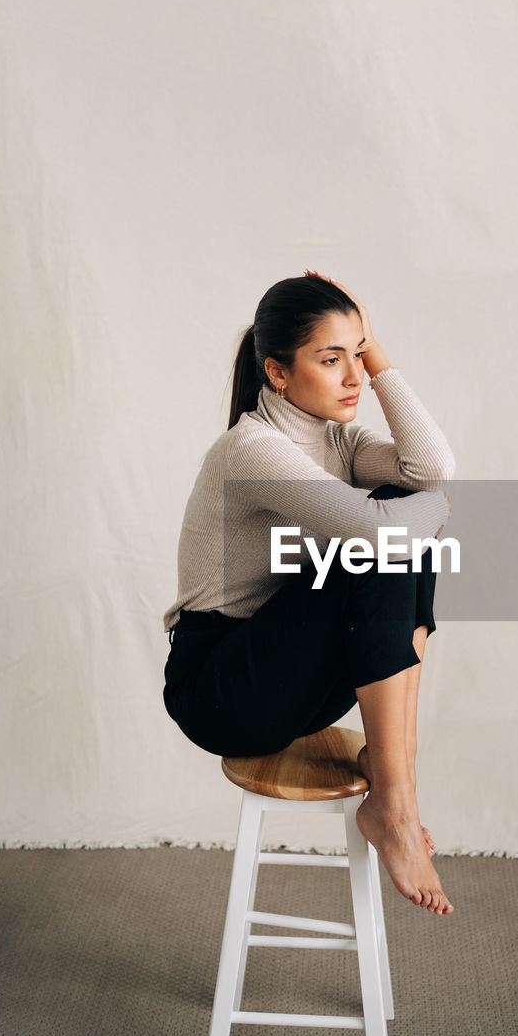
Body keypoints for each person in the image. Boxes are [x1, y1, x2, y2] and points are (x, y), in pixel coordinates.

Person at [162, 271, 455, 915]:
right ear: (278, 372)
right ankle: (397, 806)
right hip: (220, 690)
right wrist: (430, 509)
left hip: (291, 678)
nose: (354, 377)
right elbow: (414, 509)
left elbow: (433, 467)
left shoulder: (338, 439)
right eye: (331, 360)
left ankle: (392, 776)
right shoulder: (252, 450)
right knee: (384, 537)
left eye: (358, 356)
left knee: (400, 527)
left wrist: (374, 349)